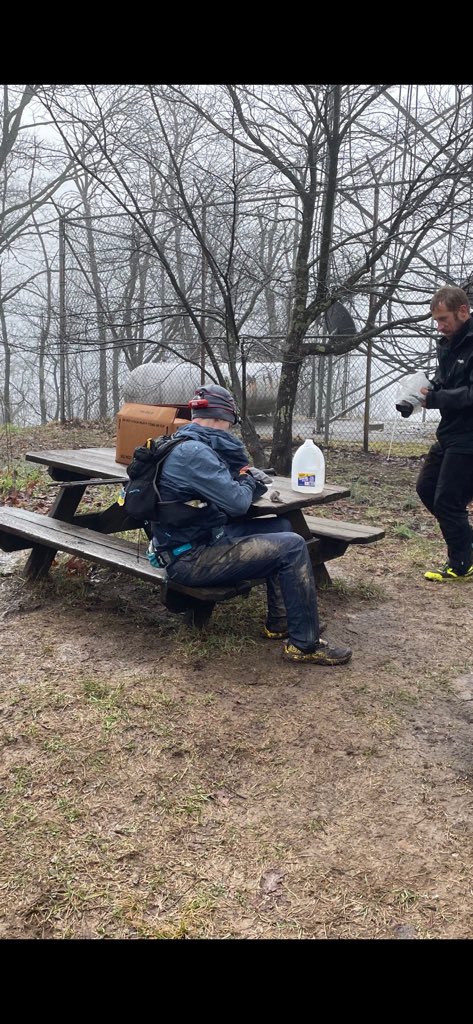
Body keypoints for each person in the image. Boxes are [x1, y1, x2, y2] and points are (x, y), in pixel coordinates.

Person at [148, 383, 352, 666]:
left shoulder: (184, 442)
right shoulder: (195, 454)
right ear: (222, 419)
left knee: (283, 527)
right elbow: (238, 504)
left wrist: (240, 480)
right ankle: (304, 645)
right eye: (230, 424)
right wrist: (249, 481)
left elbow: (223, 496)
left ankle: (280, 622)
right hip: (190, 558)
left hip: (200, 539)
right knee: (292, 547)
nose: (230, 430)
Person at [416, 285, 473, 582]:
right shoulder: (448, 344)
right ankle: (467, 543)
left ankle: (461, 563)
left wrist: (438, 399)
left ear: (463, 311)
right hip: (449, 433)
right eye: (436, 320)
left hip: (469, 437)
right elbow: (443, 381)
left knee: (448, 501)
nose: (440, 326)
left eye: (444, 319)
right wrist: (417, 397)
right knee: (427, 488)